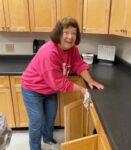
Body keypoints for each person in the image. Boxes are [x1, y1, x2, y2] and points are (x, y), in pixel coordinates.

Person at [21, 17, 104, 150]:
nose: (70, 37)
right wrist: (82, 90)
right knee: (36, 122)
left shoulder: (72, 49)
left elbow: (79, 64)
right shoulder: (49, 52)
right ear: (59, 33)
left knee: (50, 116)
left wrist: (90, 81)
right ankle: (35, 148)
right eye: (66, 32)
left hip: (49, 90)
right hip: (32, 89)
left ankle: (47, 138)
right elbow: (58, 83)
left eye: (74, 33)